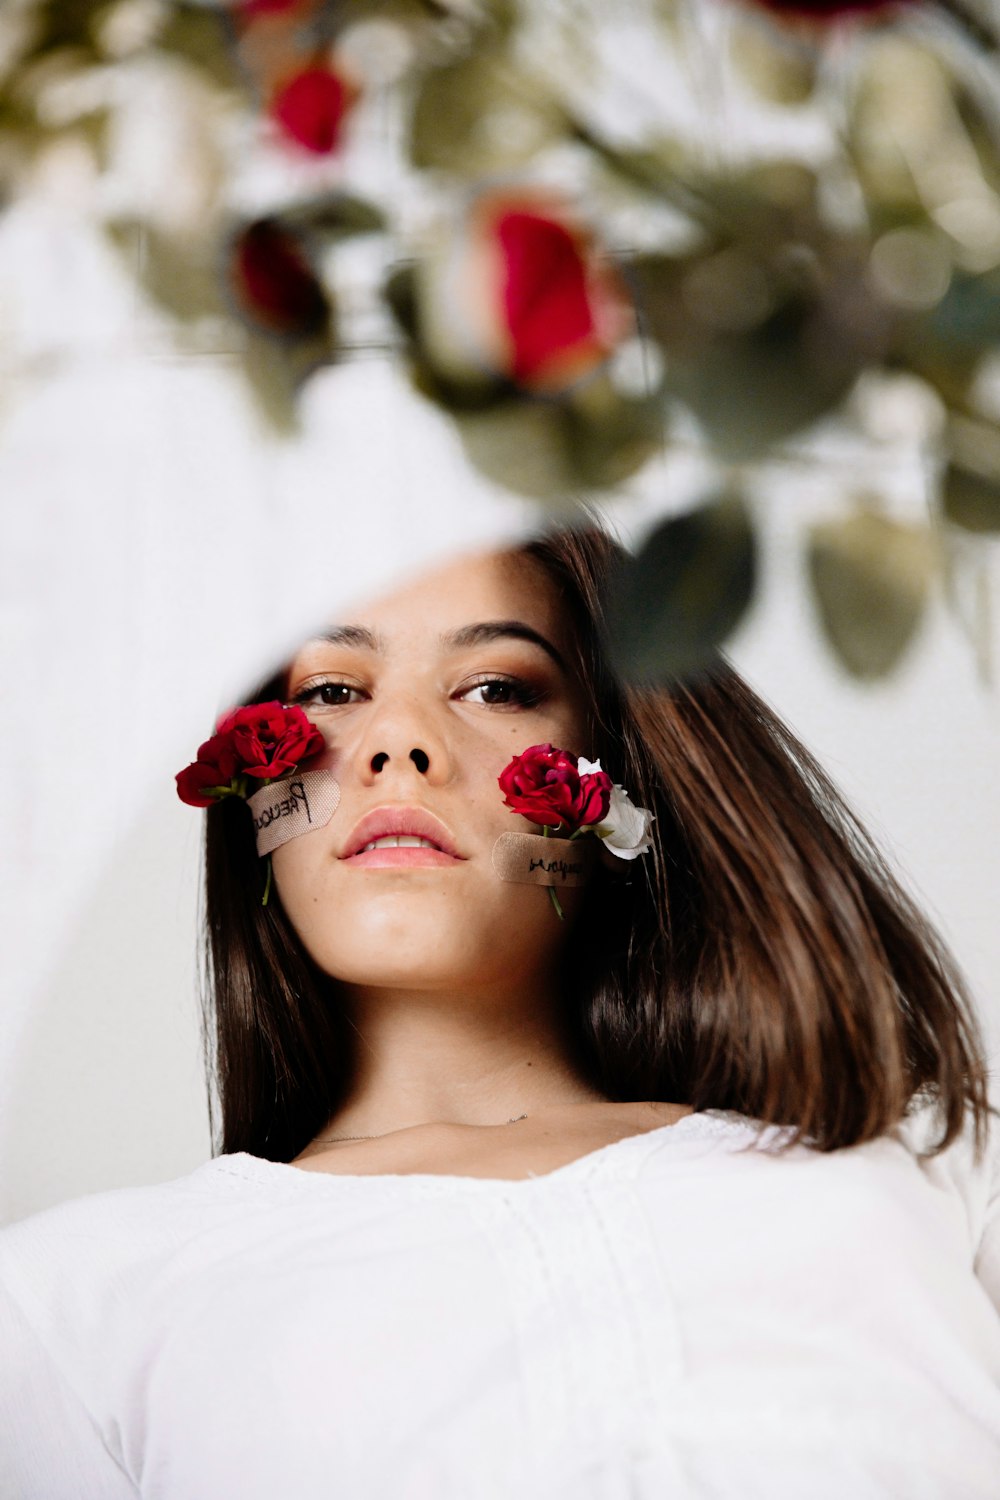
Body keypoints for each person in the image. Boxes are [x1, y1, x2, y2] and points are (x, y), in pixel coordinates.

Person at [1, 523, 997, 1498]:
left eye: (497, 689)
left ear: (618, 782)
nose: (399, 742)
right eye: (334, 692)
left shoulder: (936, 1165)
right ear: (252, 799)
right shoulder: (64, 1307)